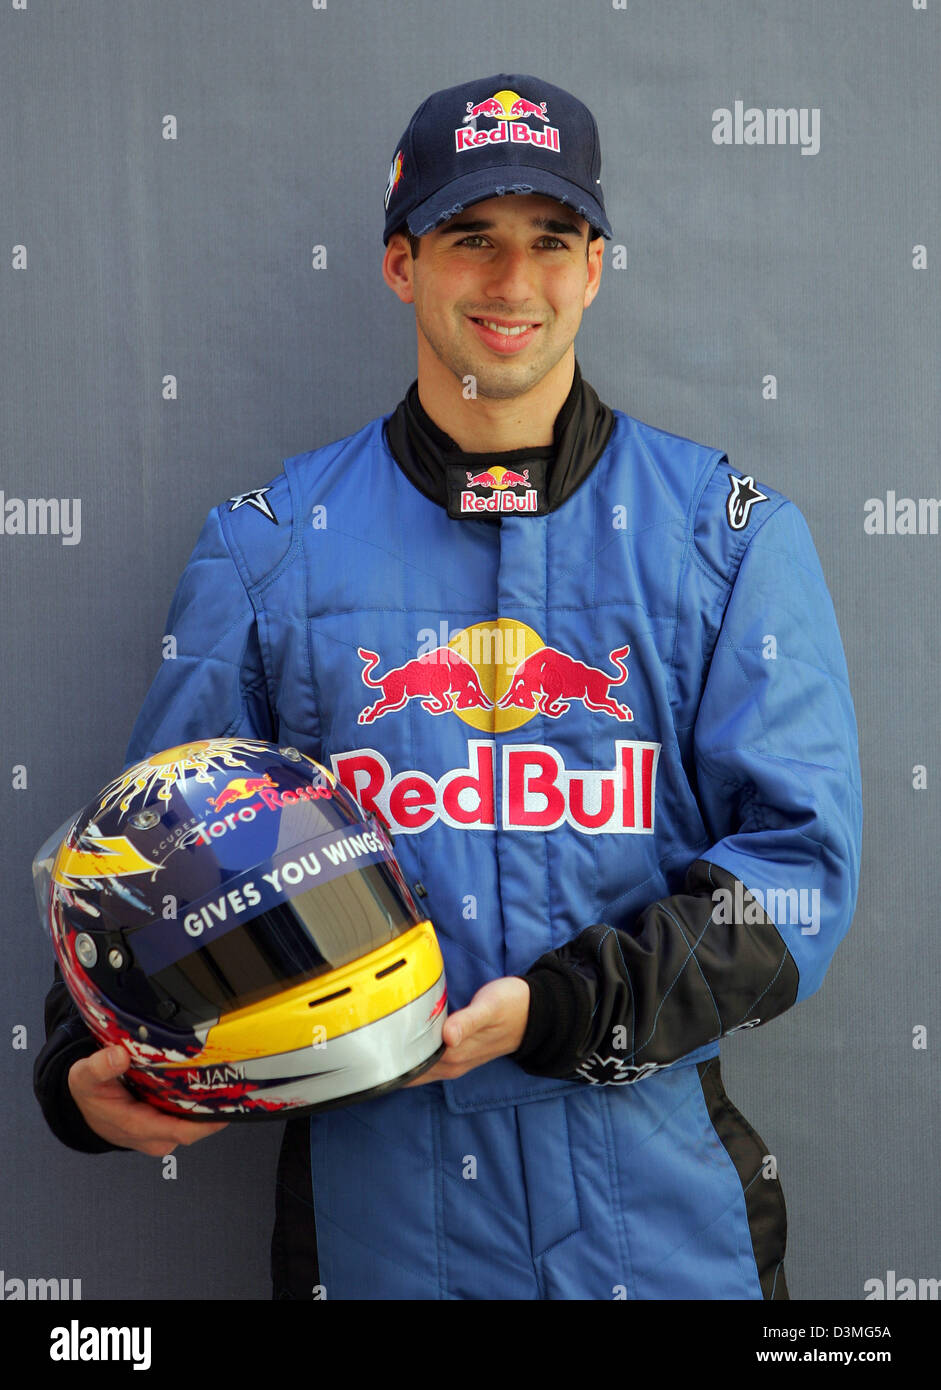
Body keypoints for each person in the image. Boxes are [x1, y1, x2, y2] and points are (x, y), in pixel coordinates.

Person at [35, 73, 862, 1300]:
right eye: (470, 237)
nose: (510, 282)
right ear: (398, 263)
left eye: (549, 241)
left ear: (594, 266)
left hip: (663, 1223)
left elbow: (797, 881)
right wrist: (83, 1065)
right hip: (376, 1228)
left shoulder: (727, 537)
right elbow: (157, 855)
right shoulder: (267, 547)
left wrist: (561, 1010)